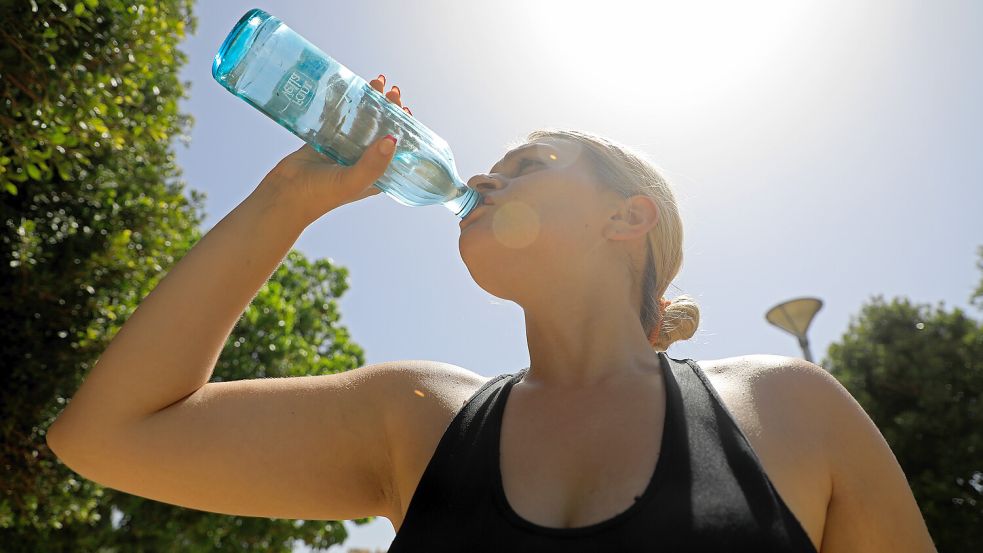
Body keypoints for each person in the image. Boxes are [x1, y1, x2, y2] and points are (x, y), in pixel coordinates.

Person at [46, 75, 937, 552]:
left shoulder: (787, 409)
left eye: (528, 163)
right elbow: (106, 435)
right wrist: (287, 199)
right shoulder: (416, 417)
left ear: (627, 218)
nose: (481, 178)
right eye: (493, 164)